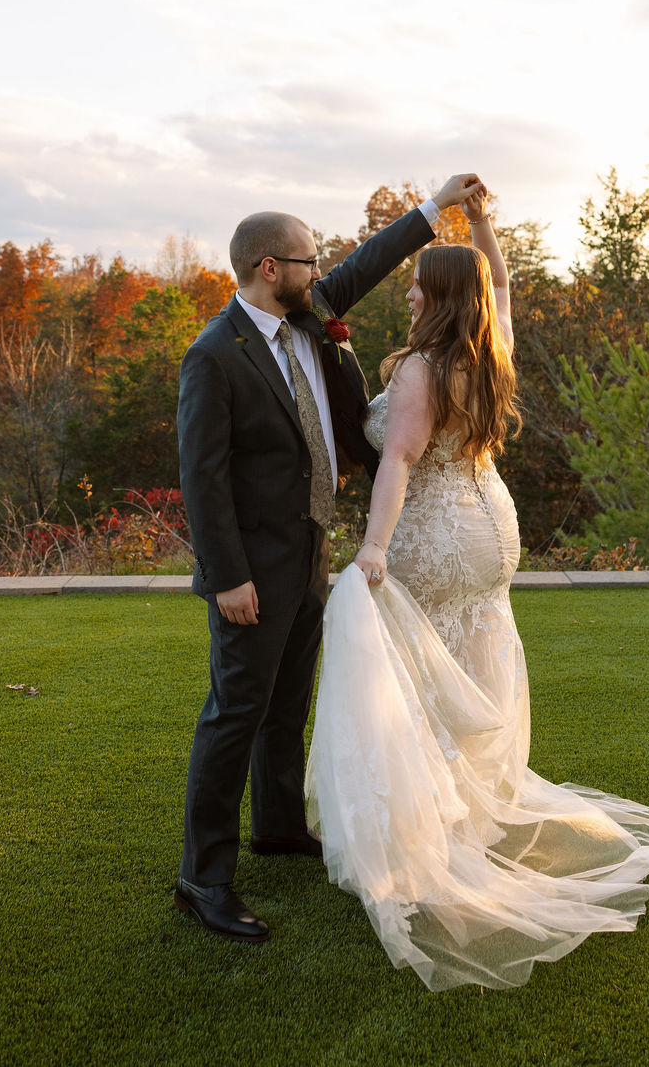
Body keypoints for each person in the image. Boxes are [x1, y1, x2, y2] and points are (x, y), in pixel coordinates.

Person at [305, 182, 649, 991]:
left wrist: (375, 546)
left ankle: (436, 825)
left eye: (421, 283)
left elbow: (399, 461)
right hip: (493, 524)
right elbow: (504, 282)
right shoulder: (488, 351)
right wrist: (481, 221)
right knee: (472, 654)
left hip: (437, 532)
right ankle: (472, 805)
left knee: (418, 675)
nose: (410, 291)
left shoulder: (421, 369)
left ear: (442, 296)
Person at [174, 173, 484, 943]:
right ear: (268, 269)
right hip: (253, 567)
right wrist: (229, 578)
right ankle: (201, 877)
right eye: (311, 261)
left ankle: (276, 826)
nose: (325, 271)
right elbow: (201, 478)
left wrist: (433, 206)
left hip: (311, 550)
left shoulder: (310, 320)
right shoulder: (214, 355)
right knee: (235, 713)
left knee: (287, 703)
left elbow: (367, 263)